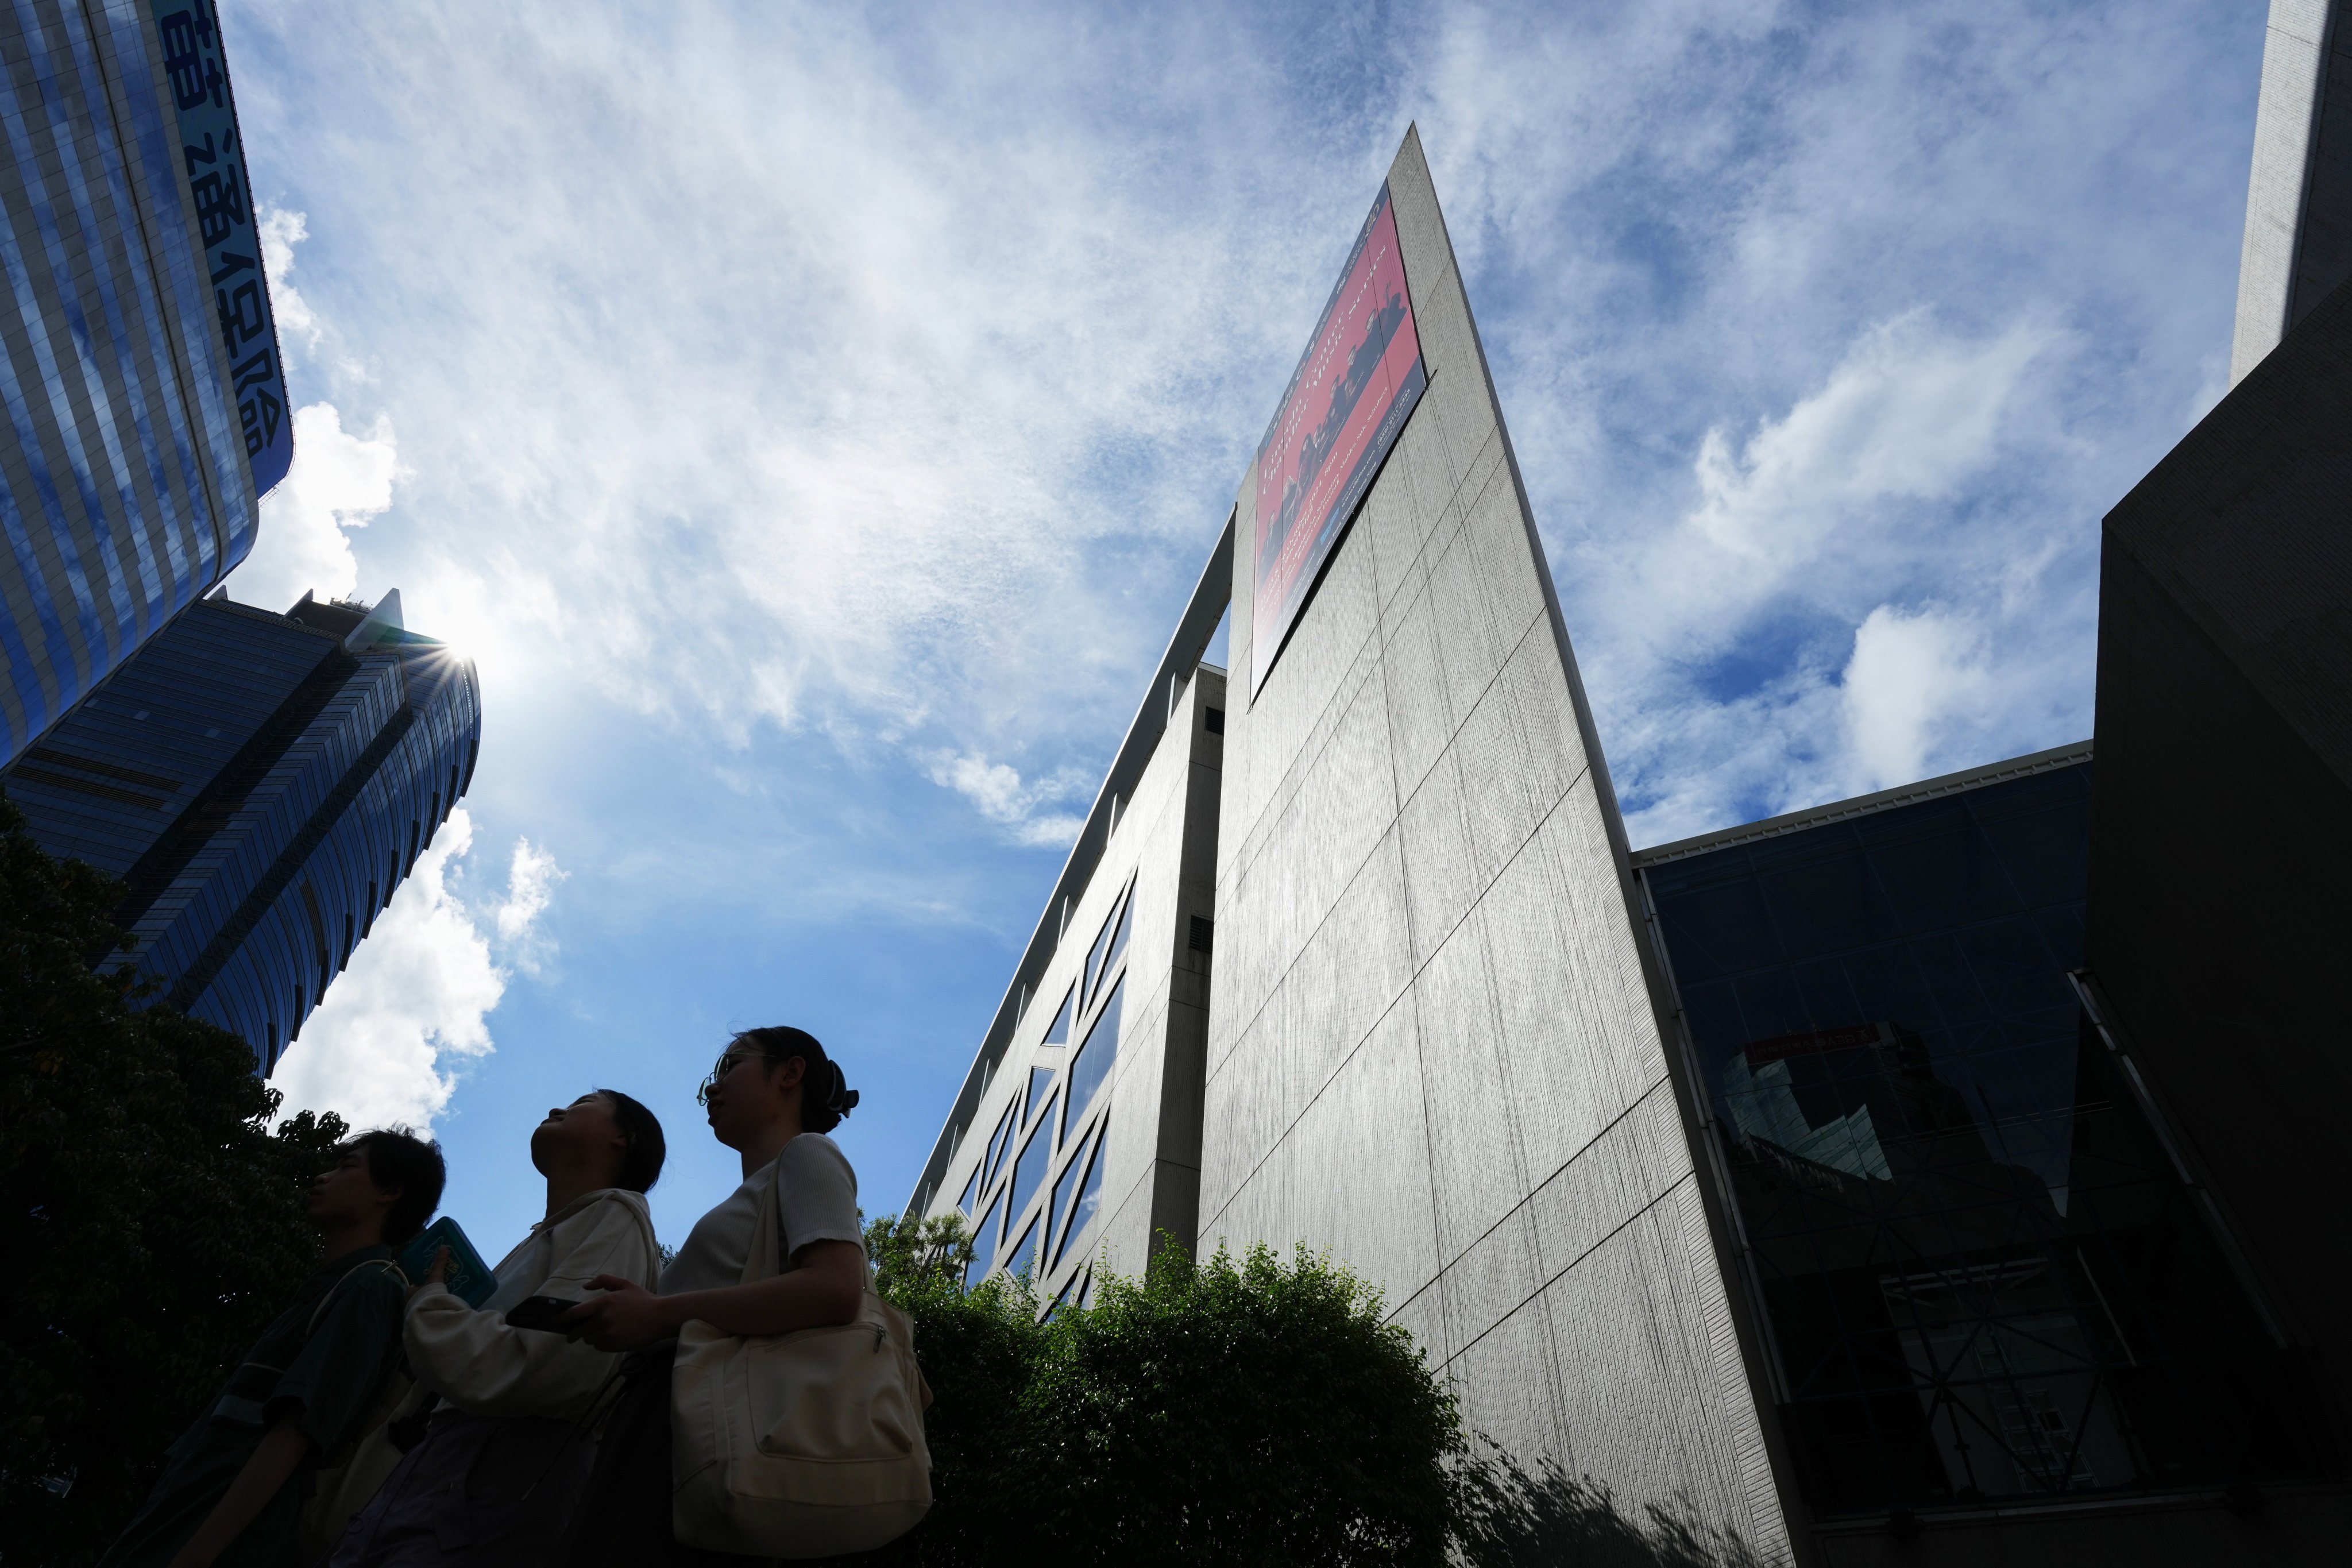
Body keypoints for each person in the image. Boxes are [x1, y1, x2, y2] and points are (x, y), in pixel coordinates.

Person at [555, 1027, 865, 1565]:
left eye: (732, 1066)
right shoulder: (757, 1189)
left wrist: (658, 1313)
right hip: (673, 1423)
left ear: (790, 1074)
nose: (713, 1089)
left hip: (705, 1431)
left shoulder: (809, 1154)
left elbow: (836, 1289)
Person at [324, 1090, 668, 1567]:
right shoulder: (560, 1232)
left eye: (585, 1101)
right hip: (445, 1475)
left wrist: (429, 1302)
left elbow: (546, 1368)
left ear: (621, 1138)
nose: (555, 1107)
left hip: (484, 1479)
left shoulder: (617, 1215)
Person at [99, 1130, 446, 1568]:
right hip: (176, 1519)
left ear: (390, 1191)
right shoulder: (332, 1286)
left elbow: (295, 1434)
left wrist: (198, 1554)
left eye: (347, 1166)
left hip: (213, 1539)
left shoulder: (369, 1287)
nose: (322, 1176)